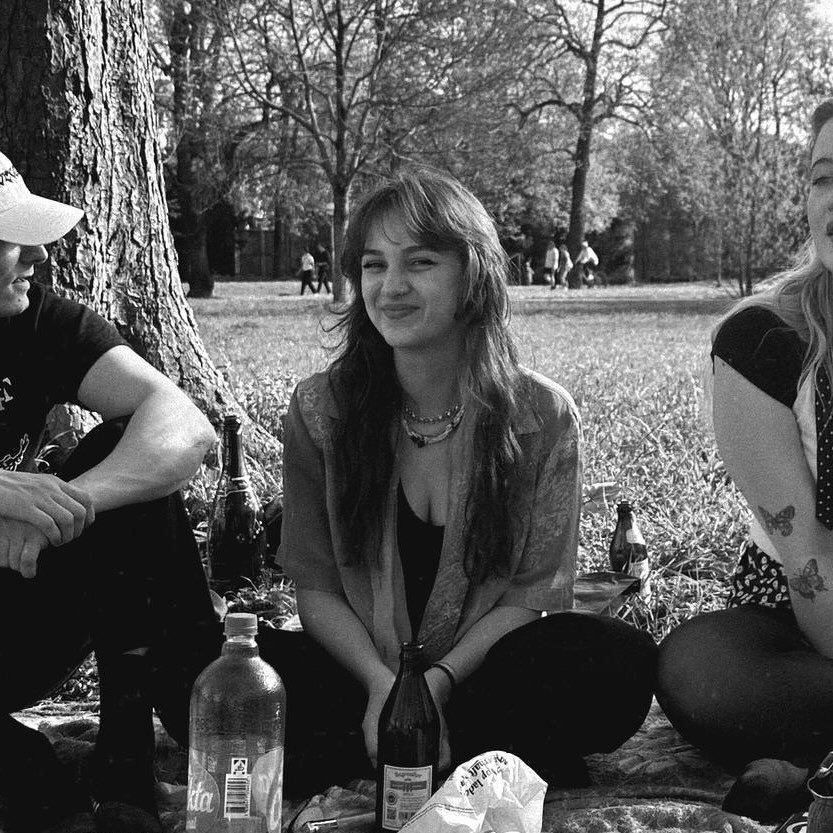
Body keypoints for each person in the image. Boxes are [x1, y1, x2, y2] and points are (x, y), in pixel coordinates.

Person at [264, 169, 656, 796]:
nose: (391, 287)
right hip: (359, 677)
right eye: (373, 265)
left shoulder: (541, 417)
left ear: (474, 275)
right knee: (222, 668)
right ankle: (474, 752)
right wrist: (383, 687)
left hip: (478, 676)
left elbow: (530, 596)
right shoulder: (321, 411)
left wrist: (435, 687)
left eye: (420, 262)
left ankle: (412, 747)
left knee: (618, 662)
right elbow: (316, 587)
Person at [0, 152, 220, 833]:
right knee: (33, 787)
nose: (38, 254)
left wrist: (68, 503)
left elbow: (183, 424)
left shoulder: (39, 321)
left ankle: (151, 738)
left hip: (18, 610)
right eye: (11, 239)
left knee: (127, 458)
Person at [656, 99, 833, 823]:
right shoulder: (761, 342)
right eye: (823, 177)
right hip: (807, 617)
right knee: (699, 670)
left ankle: (812, 772)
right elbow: (808, 562)